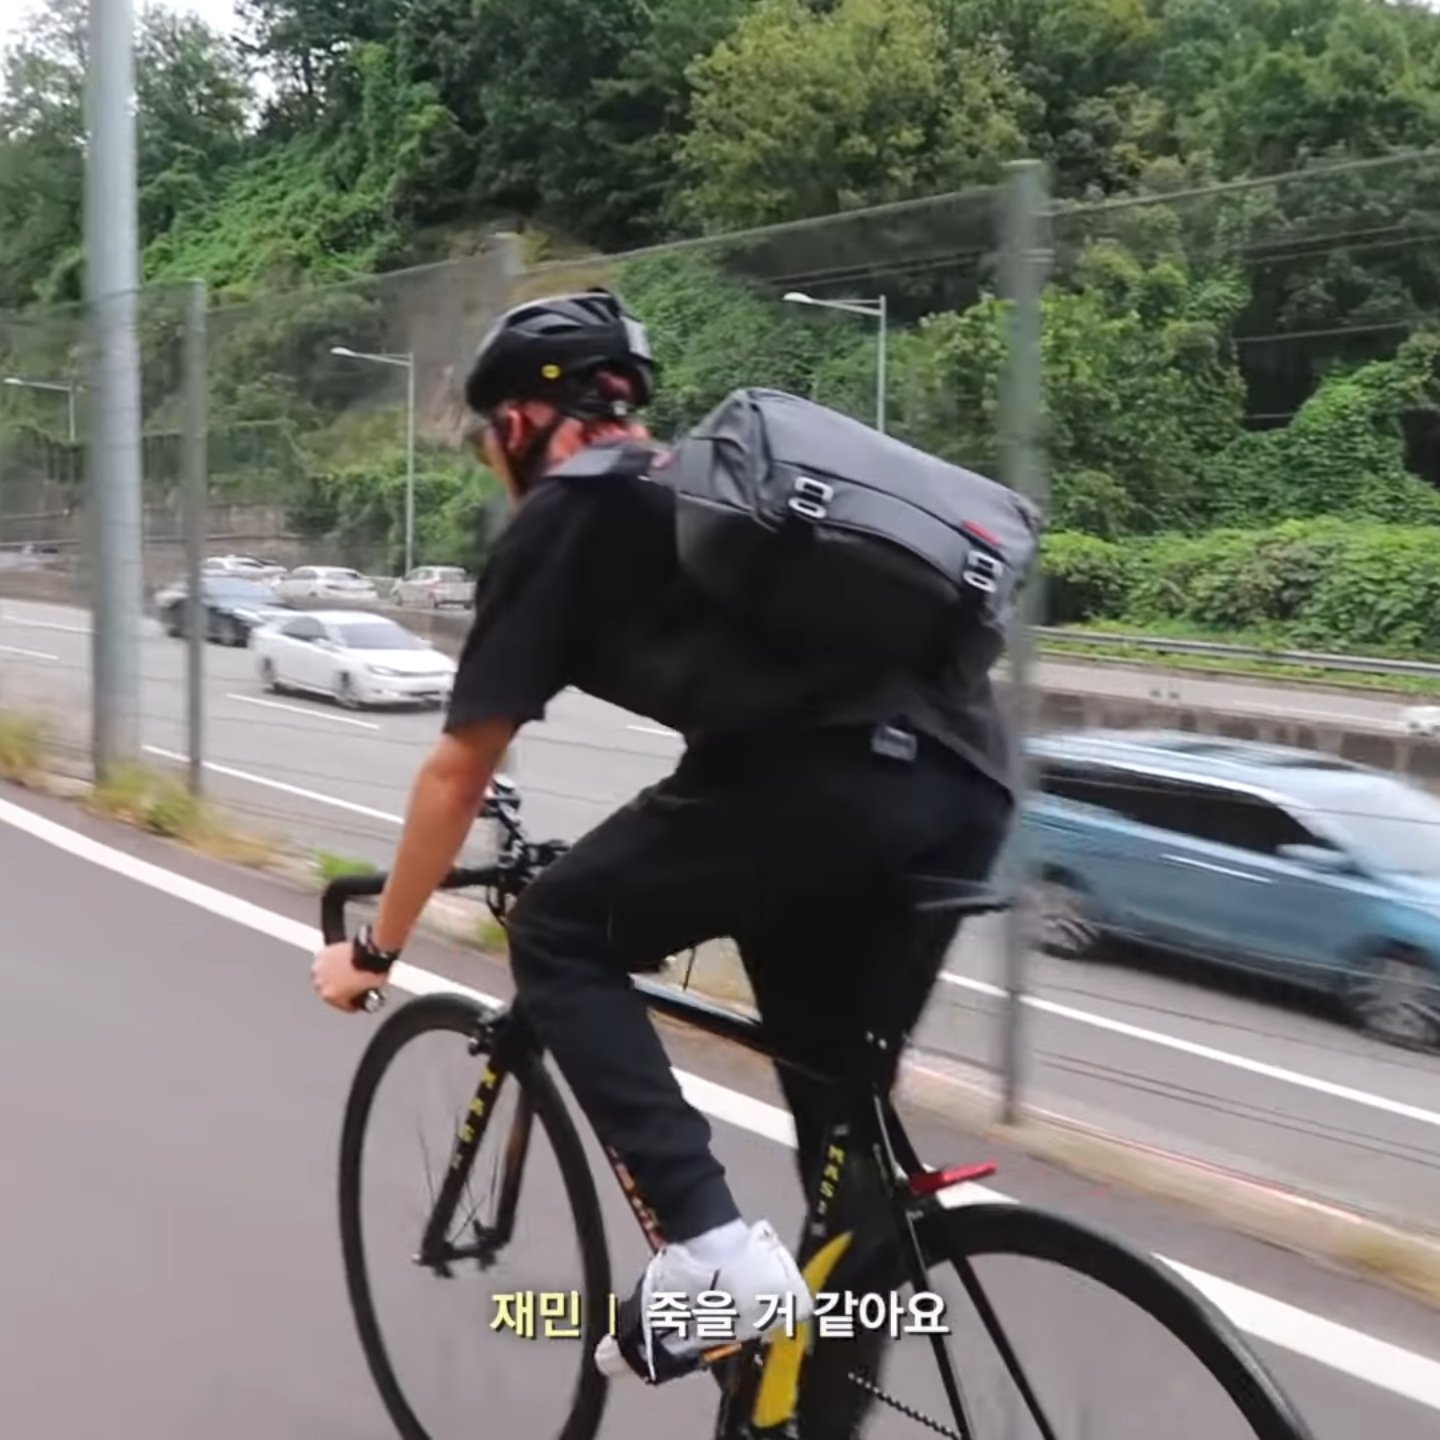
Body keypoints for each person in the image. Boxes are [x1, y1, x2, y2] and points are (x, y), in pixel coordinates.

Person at [310, 289, 1015, 1417]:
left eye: (492, 435)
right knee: (845, 1147)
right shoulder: (701, 492)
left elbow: (457, 769)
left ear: (522, 425)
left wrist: (376, 949)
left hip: (818, 783)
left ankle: (713, 1253)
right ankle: (791, 1400)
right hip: (966, 786)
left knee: (559, 927)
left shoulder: (566, 514)